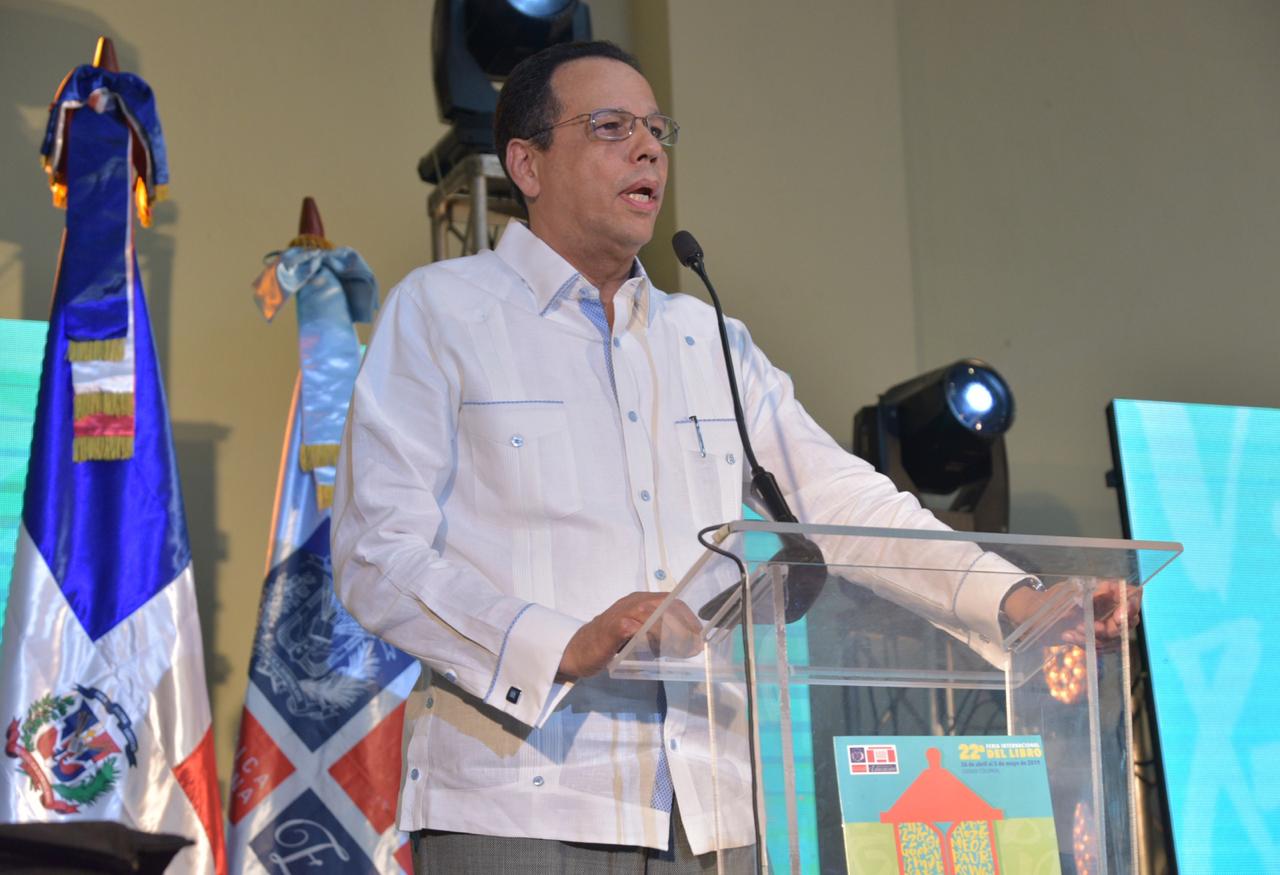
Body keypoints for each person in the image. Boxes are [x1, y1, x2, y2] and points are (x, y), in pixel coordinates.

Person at [331, 40, 1116, 872]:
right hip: (520, 794)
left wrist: (1019, 601)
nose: (647, 150)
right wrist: (561, 641)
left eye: (658, 131)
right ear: (526, 163)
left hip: (705, 809)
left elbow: (843, 501)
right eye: (611, 127)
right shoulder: (441, 313)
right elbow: (377, 554)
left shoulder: (708, 339)